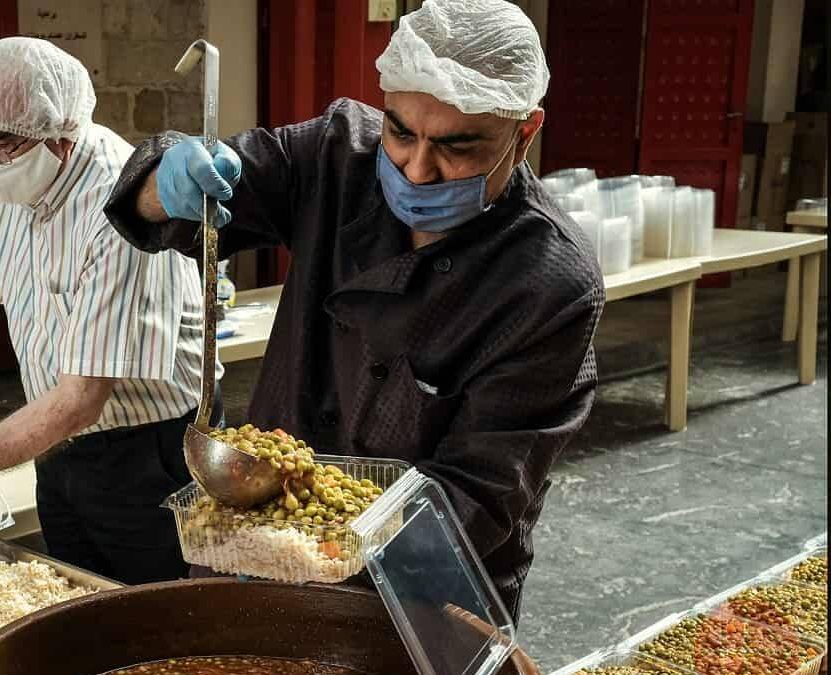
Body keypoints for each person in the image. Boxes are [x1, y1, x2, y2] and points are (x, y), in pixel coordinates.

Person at [103, 0, 603, 620]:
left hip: (420, 586)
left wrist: (325, 543)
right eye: (401, 132)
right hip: (256, 548)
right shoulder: (336, 154)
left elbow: (481, 489)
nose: (417, 170)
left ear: (524, 133)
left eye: (457, 147)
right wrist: (167, 183)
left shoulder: (550, 280)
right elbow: (173, 206)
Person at [0, 38, 214, 585]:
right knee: (74, 596)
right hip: (55, 442)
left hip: (146, 455)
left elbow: (81, 400)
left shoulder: (123, 205)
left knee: (152, 616)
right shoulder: (12, 176)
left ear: (62, 137)